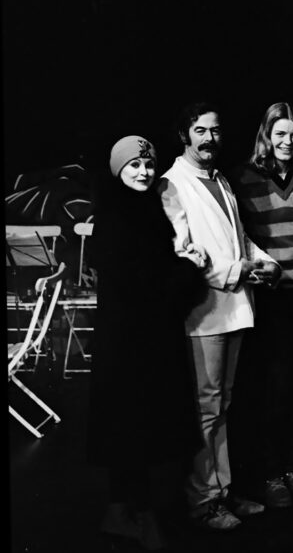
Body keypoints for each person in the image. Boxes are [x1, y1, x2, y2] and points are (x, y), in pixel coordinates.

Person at [159, 103, 280, 531]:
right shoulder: (172, 185)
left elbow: (239, 240)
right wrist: (236, 271)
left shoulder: (220, 180)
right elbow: (182, 254)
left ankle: (222, 492)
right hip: (204, 313)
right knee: (206, 409)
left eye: (214, 130)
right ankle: (203, 500)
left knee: (222, 406)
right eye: (199, 130)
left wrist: (264, 264)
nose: (209, 138)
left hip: (233, 308)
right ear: (184, 135)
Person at [87, 136, 208, 550]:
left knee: (136, 432)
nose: (143, 172)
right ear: (118, 169)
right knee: (133, 431)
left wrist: (178, 265)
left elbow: (152, 272)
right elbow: (144, 281)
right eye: (134, 165)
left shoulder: (142, 210)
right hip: (131, 346)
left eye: (147, 164)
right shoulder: (119, 217)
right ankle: (135, 515)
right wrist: (188, 270)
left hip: (142, 341)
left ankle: (127, 511)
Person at [232, 102, 293, 509]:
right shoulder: (245, 178)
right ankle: (271, 472)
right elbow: (241, 237)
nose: (287, 142)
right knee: (272, 385)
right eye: (279, 134)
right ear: (266, 135)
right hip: (270, 297)